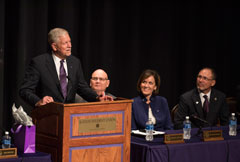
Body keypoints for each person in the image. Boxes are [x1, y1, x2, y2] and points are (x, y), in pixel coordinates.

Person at [19, 28, 112, 107]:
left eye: (70, 42)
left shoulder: (75, 62)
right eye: (65, 43)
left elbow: (82, 88)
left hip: (69, 116)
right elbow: (25, 90)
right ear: (54, 46)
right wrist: (38, 101)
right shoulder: (39, 63)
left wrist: (97, 98)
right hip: (47, 115)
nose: (70, 46)